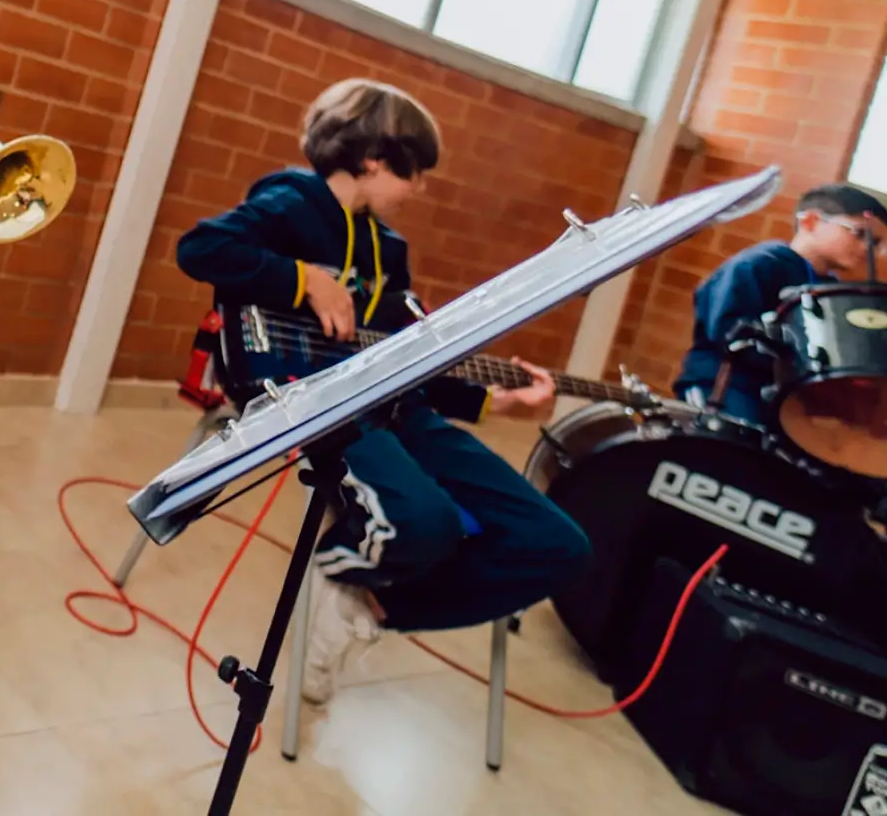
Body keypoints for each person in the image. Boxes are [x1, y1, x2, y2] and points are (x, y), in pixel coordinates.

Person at [176, 78, 591, 704]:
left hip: (394, 404)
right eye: (413, 172)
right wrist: (303, 281)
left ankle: (364, 599)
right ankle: (346, 568)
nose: (419, 188)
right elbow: (201, 248)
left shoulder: (389, 250)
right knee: (423, 526)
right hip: (305, 397)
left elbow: (407, 355)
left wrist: (490, 401)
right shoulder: (292, 201)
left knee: (556, 545)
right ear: (372, 160)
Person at [674, 182, 887, 424]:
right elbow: (725, 330)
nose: (868, 249)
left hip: (779, 404)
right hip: (727, 389)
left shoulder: (832, 290)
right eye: (861, 234)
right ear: (811, 222)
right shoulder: (759, 264)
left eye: (877, 244)